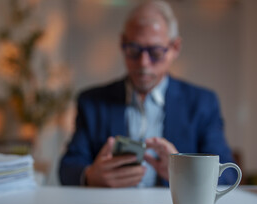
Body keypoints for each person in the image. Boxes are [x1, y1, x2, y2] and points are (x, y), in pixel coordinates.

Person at [59, 0, 237, 187]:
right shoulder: (92, 102)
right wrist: (90, 176)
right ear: (122, 44)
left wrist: (183, 173)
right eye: (134, 50)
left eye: (156, 52)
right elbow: (67, 168)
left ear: (174, 48)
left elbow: (228, 175)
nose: (143, 63)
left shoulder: (202, 103)